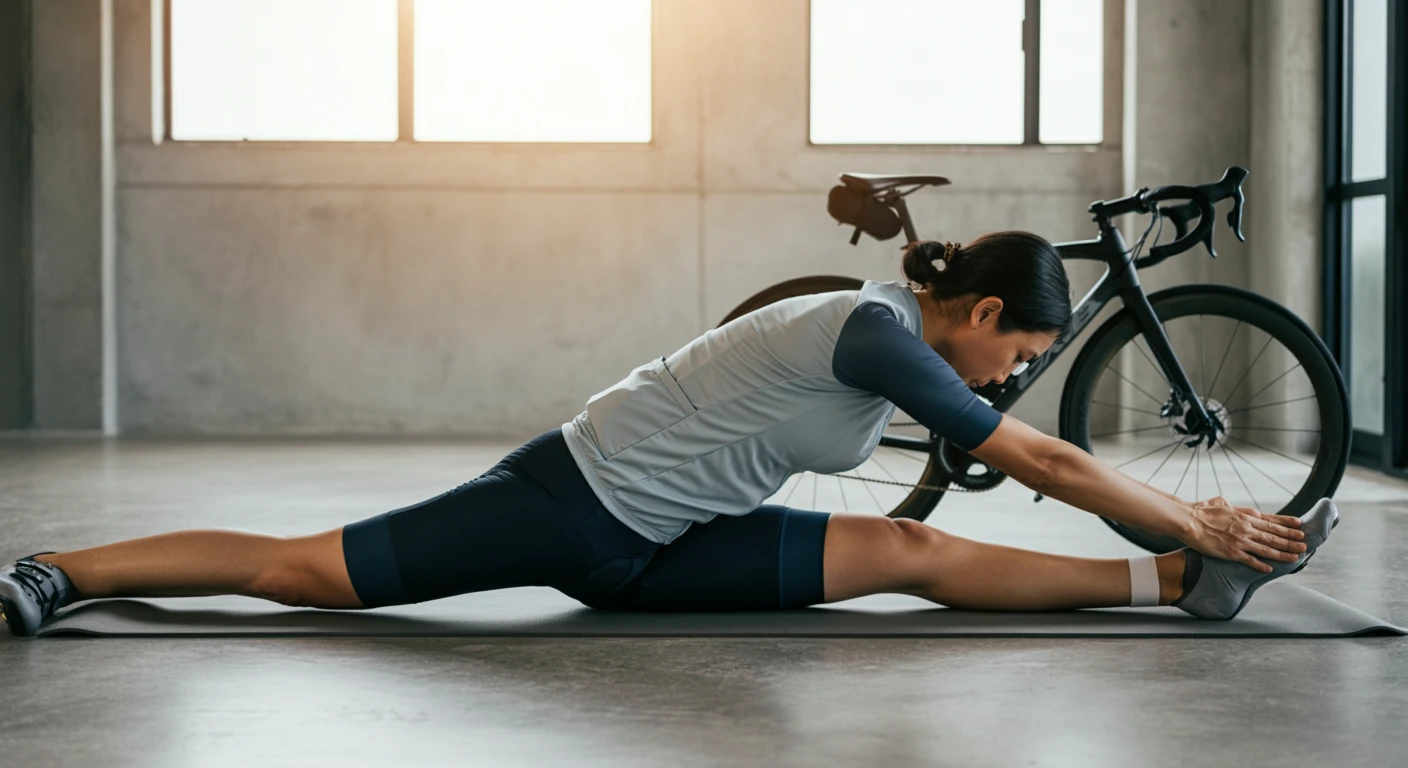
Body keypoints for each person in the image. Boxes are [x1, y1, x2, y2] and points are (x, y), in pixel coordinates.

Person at [1, 232, 1338, 638]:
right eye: (1025, 352)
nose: (1019, 374)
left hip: (670, 544)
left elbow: (1036, 466)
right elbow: (1042, 461)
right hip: (567, 503)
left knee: (899, 547)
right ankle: (67, 570)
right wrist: (1197, 497)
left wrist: (1178, 534)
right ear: (979, 312)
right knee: (299, 575)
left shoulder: (908, 352)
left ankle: (1182, 586)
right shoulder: (875, 333)